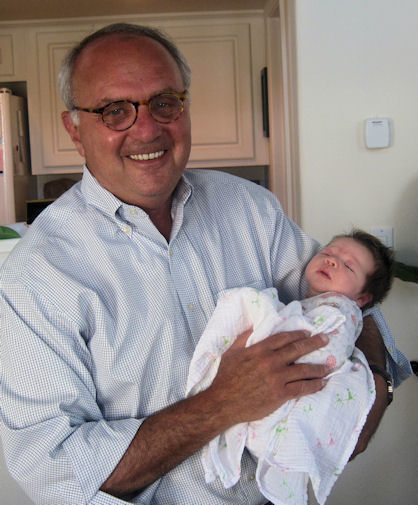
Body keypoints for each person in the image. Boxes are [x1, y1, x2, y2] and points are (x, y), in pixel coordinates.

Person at [0, 23, 411, 505]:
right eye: (115, 111)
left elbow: (351, 301)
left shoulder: (250, 208)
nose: (147, 129)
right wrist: (221, 404)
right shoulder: (36, 274)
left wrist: (374, 386)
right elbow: (56, 474)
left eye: (164, 103)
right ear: (75, 129)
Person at [186, 230, 394, 504]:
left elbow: (323, 349)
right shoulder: (313, 303)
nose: (332, 260)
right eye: (328, 252)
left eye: (348, 265)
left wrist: (265, 324)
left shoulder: (342, 312)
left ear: (362, 299)